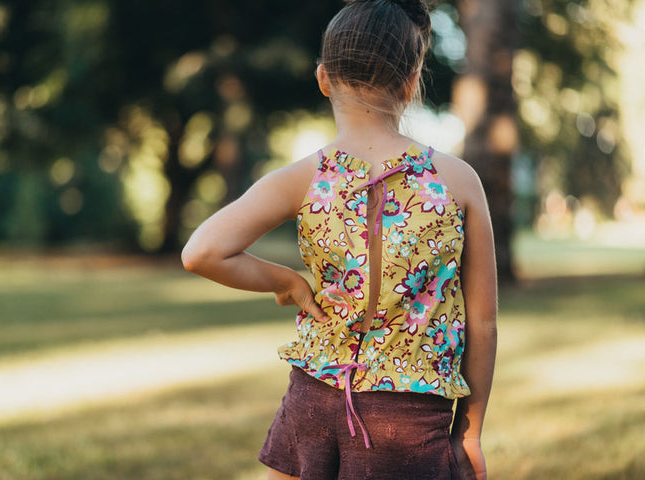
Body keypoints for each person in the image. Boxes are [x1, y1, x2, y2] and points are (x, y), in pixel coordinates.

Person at [181, 0, 497, 478]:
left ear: (324, 78)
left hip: (312, 398)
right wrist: (469, 432)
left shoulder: (303, 178)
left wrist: (285, 282)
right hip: (406, 417)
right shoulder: (457, 181)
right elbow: (484, 324)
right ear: (412, 84)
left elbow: (201, 251)